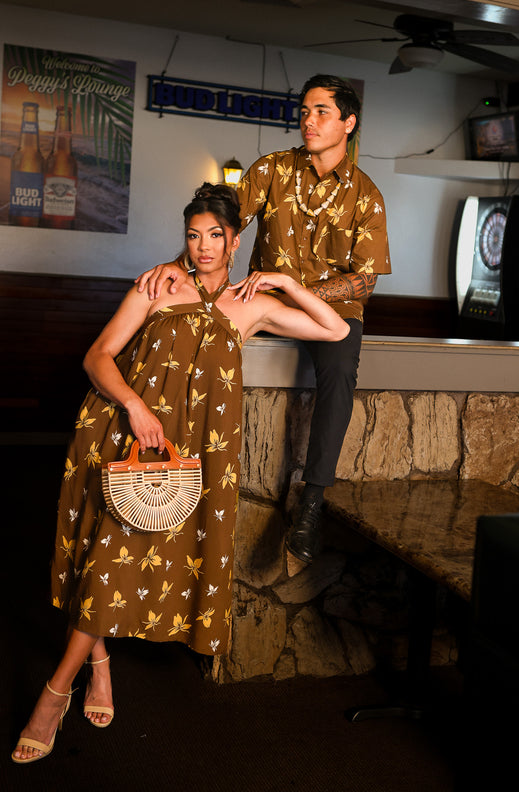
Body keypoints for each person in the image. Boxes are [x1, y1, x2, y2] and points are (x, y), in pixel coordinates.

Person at [11, 182, 348, 764]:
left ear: (235, 241)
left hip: (194, 457)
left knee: (132, 560)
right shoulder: (159, 285)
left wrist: (286, 283)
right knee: (107, 557)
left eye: (215, 235)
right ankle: (56, 691)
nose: (203, 247)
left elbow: (336, 330)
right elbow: (98, 355)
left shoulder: (252, 306)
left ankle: (97, 663)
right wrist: (135, 407)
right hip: (125, 437)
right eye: (193, 236)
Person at [136, 74, 391, 567]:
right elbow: (222, 226)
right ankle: (168, 459)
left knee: (341, 371)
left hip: (330, 312)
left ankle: (312, 501)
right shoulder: (272, 169)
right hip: (262, 301)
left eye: (321, 112)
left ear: (348, 122)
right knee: (198, 334)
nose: (308, 120)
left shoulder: (367, 196)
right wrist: (179, 266)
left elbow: (365, 282)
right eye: (304, 111)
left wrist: (299, 292)